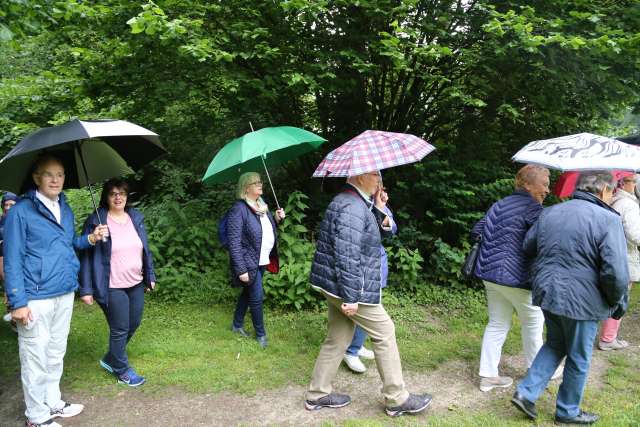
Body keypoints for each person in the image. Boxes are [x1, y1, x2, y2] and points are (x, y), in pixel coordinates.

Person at [305, 170, 432, 418]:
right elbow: (347, 254)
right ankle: (397, 398)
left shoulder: (353, 200)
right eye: (375, 174)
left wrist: (380, 208)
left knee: (338, 337)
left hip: (335, 284)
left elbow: (374, 237)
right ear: (360, 176)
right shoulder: (351, 205)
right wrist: (352, 297)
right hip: (350, 288)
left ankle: (317, 394)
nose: (379, 180)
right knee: (385, 332)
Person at [511, 171, 629, 425]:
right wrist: (616, 301)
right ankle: (567, 411)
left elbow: (528, 247)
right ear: (604, 191)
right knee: (578, 355)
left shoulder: (550, 212)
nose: (613, 197)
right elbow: (616, 273)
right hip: (582, 301)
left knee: (555, 343)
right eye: (612, 192)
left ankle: (526, 392)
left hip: (548, 291)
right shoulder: (608, 220)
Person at [4, 154, 108, 427]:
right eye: (48, 174)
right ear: (37, 178)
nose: (55, 179)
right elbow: (12, 257)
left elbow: (64, 244)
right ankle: (36, 417)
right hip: (34, 297)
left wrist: (90, 238)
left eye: (60, 174)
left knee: (55, 351)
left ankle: (53, 402)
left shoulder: (65, 207)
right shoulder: (20, 212)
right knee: (34, 358)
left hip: (63, 291)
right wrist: (17, 301)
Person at [471, 164, 555, 392]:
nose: (547, 190)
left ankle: (488, 376)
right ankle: (538, 372)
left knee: (497, 323)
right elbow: (542, 242)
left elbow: (476, 231)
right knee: (534, 322)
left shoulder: (499, 204)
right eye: (544, 184)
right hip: (517, 278)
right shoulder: (533, 209)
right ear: (527, 184)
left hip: (489, 274)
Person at [79, 178, 156, 386]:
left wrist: (150, 275)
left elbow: (144, 248)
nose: (118, 197)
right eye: (113, 193)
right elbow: (85, 256)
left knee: (134, 322)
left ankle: (110, 357)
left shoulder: (134, 217)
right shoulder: (96, 221)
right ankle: (122, 370)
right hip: (112, 285)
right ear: (106, 197)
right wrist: (85, 289)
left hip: (136, 282)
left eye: (122, 193)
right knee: (120, 328)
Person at [343, 185, 397, 374]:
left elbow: (391, 231)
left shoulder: (377, 204)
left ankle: (356, 345)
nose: (379, 187)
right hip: (361, 267)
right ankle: (351, 351)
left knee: (368, 308)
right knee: (364, 309)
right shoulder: (355, 203)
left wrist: (381, 207)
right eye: (376, 182)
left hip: (376, 267)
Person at [227, 172, 284, 349]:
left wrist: (276, 219)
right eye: (256, 183)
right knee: (257, 296)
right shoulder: (239, 209)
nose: (260, 185)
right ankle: (261, 334)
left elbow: (267, 229)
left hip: (262, 259)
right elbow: (234, 242)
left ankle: (236, 325)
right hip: (249, 262)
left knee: (248, 292)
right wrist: (241, 269)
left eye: (260, 182)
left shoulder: (261, 205)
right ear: (246, 188)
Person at [597, 173, 640, 351]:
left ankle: (605, 335)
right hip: (624, 256)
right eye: (635, 181)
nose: (637, 184)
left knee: (609, 295)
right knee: (620, 297)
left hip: (609, 254)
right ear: (627, 183)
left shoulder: (612, 199)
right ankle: (608, 338)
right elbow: (634, 233)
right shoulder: (628, 204)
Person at [2, 192, 19, 326]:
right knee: (7, 282)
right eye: (5, 205)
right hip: (2, 256)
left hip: (16, 258)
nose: (7, 207)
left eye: (11, 204)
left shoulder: (20, 219)